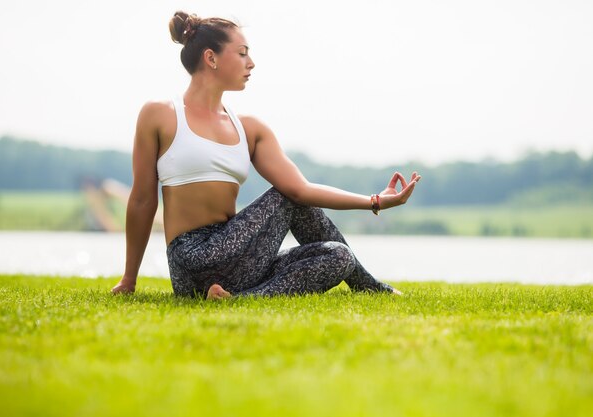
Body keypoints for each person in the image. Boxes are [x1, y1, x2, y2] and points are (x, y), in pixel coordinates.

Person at [111, 11, 421, 299]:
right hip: (192, 259)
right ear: (211, 58)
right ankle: (369, 287)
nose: (252, 63)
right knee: (288, 196)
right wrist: (129, 280)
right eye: (243, 53)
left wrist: (375, 201)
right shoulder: (159, 114)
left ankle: (235, 299)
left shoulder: (250, 129)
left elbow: (304, 189)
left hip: (240, 261)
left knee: (339, 256)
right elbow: (141, 200)